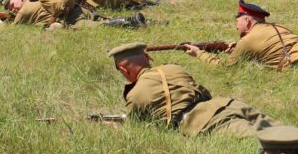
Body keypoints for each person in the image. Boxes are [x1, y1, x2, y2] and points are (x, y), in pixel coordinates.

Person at [106, 42, 277, 137]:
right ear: (147, 57)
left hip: (203, 121)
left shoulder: (135, 94)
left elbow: (137, 129)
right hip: (227, 104)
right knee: (279, 130)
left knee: (263, 140)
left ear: (123, 69)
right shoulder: (174, 68)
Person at [0, 0, 144, 29]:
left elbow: (10, 30)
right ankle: (146, 22)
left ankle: (132, 21)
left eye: (11, 5)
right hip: (77, 9)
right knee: (104, 19)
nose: (12, 9)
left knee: (101, 26)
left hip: (71, 20)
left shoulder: (24, 10)